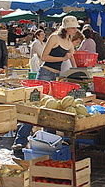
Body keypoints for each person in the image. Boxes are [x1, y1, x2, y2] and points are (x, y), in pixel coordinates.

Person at [12, 16, 79, 151]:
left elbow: (72, 60)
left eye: (76, 27)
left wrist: (78, 75)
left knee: (51, 108)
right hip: (45, 73)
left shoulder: (69, 41)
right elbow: (44, 57)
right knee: (36, 106)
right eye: (73, 27)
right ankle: (20, 140)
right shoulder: (54, 37)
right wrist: (63, 58)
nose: (75, 29)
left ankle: (49, 140)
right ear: (66, 28)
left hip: (55, 77)